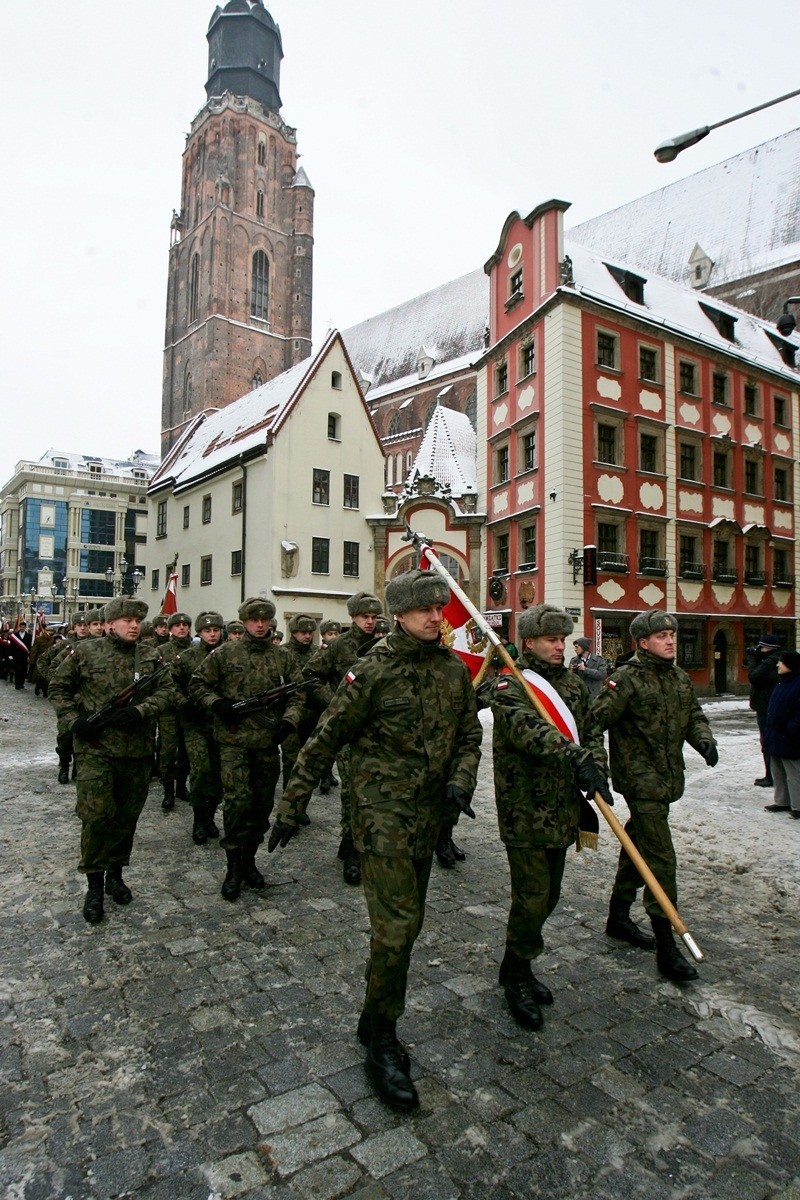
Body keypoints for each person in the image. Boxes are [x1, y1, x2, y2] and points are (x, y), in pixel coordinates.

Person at [269, 568, 482, 1112]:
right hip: (383, 820)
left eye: (441, 608)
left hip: (429, 818)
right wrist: (290, 806)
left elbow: (469, 735)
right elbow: (324, 739)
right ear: (400, 615)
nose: (438, 617)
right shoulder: (371, 672)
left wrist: (461, 780)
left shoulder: (453, 672)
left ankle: (372, 1017)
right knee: (396, 931)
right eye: (426, 610)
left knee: (406, 928)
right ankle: (383, 1038)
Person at [487, 604, 612, 1031]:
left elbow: (591, 731)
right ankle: (518, 977)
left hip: (563, 805)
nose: (560, 646)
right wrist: (575, 756)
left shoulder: (575, 687)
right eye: (551, 640)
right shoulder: (510, 683)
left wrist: (597, 769)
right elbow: (526, 731)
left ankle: (513, 963)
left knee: (551, 894)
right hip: (524, 806)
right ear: (529, 642)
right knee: (531, 896)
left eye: (562, 639)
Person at [589, 610, 718, 983]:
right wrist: (596, 766)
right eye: (661, 636)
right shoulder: (627, 679)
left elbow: (693, 714)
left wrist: (703, 740)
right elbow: (594, 722)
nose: (670, 640)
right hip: (640, 781)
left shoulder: (678, 677)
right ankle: (667, 945)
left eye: (672, 634)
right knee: (661, 857)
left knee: (639, 845)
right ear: (642, 642)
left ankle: (618, 916)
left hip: (667, 778)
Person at [48, 597, 173, 924]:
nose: (134, 625)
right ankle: (93, 884)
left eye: (138, 620)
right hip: (96, 751)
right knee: (96, 816)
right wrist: (74, 721)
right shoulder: (86, 652)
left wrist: (141, 710)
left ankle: (115, 874)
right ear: (110, 622)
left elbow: (168, 692)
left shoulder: (151, 655)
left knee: (126, 817)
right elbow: (58, 687)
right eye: (127, 619)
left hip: (137, 752)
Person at [190, 597, 304, 901]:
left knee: (261, 806)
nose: (260, 624)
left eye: (265, 619)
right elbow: (198, 684)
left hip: (268, 745)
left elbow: (298, 695)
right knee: (238, 804)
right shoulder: (225, 653)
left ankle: (250, 861)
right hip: (233, 744)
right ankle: (233, 868)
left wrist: (288, 723)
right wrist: (218, 704)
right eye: (254, 619)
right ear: (244, 621)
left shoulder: (284, 657)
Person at [303, 592, 384, 883]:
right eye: (365, 617)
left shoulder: (384, 643)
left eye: (374, 617)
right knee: (352, 792)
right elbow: (310, 675)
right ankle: (351, 849)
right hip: (349, 731)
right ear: (353, 617)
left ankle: (365, 843)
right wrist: (335, 702)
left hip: (380, 731)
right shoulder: (339, 646)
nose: (370, 622)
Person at [172, 611, 225, 844]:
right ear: (200, 633)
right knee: (201, 770)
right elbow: (168, 685)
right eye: (207, 630)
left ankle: (211, 817)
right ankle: (198, 820)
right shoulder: (187, 657)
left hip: (223, 724)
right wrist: (183, 704)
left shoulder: (229, 655)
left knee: (219, 774)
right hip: (195, 724)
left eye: (215, 630)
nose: (212, 634)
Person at [158, 612, 193, 810]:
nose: (182, 628)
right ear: (170, 629)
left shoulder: (195, 650)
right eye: (177, 625)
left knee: (187, 750)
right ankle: (168, 791)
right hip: (169, 710)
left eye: (185, 624)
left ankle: (181, 786)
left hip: (188, 708)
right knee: (168, 750)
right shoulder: (161, 651)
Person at [763, 649, 800, 819]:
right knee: (777, 770)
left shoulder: (797, 683)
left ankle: (797, 805)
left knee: (793, 774)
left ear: (790, 665)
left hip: (790, 737)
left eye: (781, 662)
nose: (778, 664)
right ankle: (782, 801)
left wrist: (790, 728)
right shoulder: (782, 682)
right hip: (776, 735)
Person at [747, 633, 782, 787]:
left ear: (767, 648)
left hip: (765, 706)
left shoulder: (769, 662)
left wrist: (753, 659)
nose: (759, 649)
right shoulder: (777, 660)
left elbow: (754, 677)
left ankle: (771, 776)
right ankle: (773, 775)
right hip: (769, 705)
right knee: (770, 741)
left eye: (761, 647)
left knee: (767, 742)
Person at [568, 636, 607, 700]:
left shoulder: (598, 660)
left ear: (584, 647)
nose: (575, 649)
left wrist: (585, 669)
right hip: (580, 696)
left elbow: (602, 675)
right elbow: (569, 681)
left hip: (595, 696)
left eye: (577, 647)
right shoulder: (574, 661)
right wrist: (570, 672)